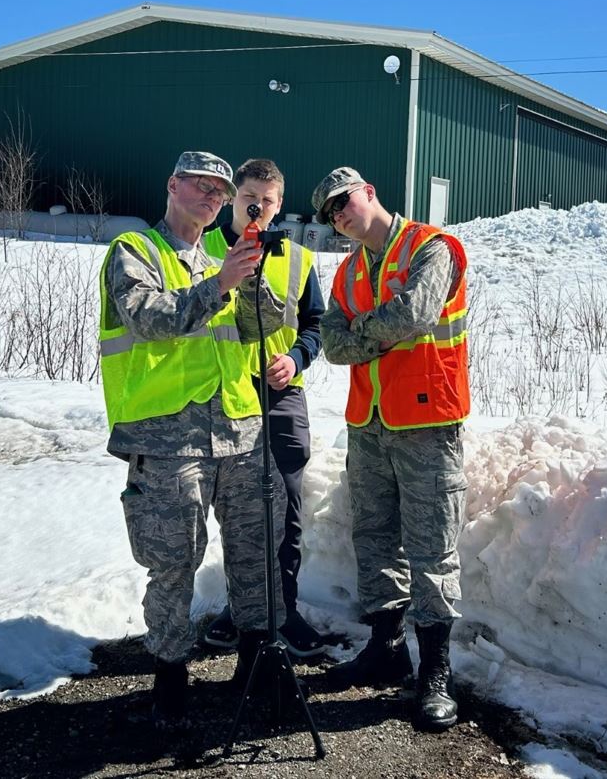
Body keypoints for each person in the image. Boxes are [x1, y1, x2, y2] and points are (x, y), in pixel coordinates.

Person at [98, 151, 288, 728]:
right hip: (166, 437)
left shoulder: (219, 258)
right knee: (174, 560)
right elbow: (149, 319)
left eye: (219, 192)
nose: (211, 197)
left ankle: (255, 666)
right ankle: (170, 677)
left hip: (239, 429)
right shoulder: (135, 251)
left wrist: (254, 282)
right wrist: (221, 284)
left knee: (257, 556)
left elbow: (264, 327)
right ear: (172, 185)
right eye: (200, 186)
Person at [311, 167, 470, 733]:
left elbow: (415, 312)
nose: (340, 215)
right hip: (369, 423)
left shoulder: (432, 247)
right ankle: (385, 648)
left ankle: (436, 673)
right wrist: (361, 340)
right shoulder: (350, 271)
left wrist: (359, 338)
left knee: (431, 547)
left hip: (428, 420)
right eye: (331, 212)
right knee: (374, 536)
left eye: (344, 201)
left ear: (369, 193)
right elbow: (329, 343)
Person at [201, 158, 327, 659]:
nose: (258, 205)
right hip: (221, 395)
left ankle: (284, 609)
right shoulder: (202, 247)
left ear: (279, 205)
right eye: (249, 194)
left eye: (268, 199)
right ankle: (242, 609)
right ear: (235, 195)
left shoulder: (298, 258)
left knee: (284, 507)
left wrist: (295, 360)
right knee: (235, 512)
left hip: (278, 396)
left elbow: (316, 327)